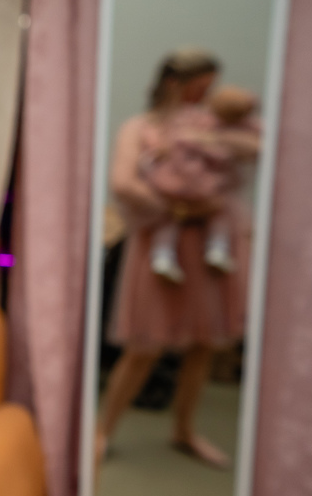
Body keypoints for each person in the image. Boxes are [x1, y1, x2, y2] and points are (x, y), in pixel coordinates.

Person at [95, 49, 256, 470]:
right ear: (174, 83)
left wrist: (213, 197)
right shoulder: (141, 127)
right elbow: (123, 183)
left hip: (208, 247)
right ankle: (102, 431)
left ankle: (184, 429)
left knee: (203, 343)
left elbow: (244, 156)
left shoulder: (210, 126)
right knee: (143, 345)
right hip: (162, 243)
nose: (205, 97)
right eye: (199, 88)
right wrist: (177, 209)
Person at [139, 84, 260, 283]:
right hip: (195, 181)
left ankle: (167, 254)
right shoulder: (203, 129)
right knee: (213, 215)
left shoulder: (200, 126)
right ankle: (214, 249)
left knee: (185, 219)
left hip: (182, 180)